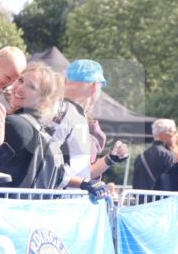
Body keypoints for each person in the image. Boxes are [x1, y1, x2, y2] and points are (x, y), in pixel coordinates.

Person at [52, 60, 129, 195]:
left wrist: (111, 158)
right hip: (57, 200)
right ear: (96, 86)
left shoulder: (75, 114)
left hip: (69, 200)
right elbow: (47, 163)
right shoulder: (64, 112)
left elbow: (82, 172)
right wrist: (82, 183)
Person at [0, 63, 64, 187]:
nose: (19, 88)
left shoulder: (14, 125)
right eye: (20, 80)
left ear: (43, 99)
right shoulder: (41, 131)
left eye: (31, 87)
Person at [133, 118, 176, 189]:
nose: (175, 136)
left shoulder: (140, 157)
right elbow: (170, 184)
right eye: (173, 132)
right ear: (162, 135)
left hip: (141, 196)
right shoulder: (167, 155)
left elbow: (135, 184)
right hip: (159, 196)